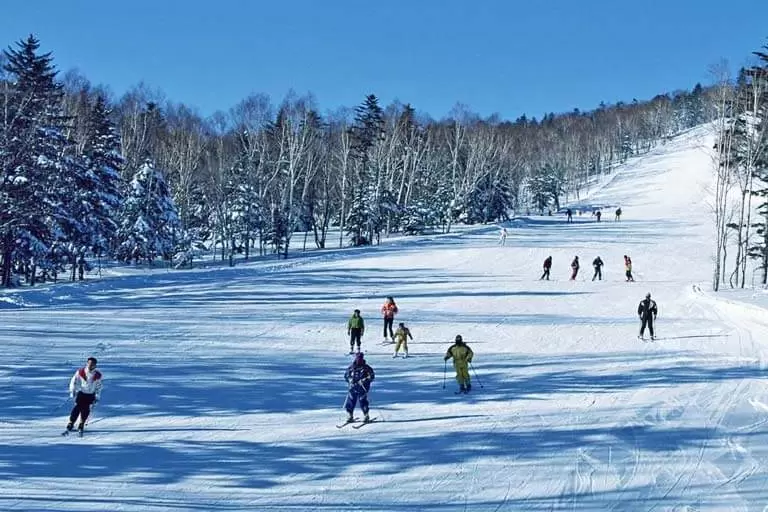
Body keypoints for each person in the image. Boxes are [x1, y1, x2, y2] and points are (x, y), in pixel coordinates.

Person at [66, 357, 103, 433]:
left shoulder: (98, 375)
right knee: (77, 408)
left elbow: (99, 387)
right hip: (81, 393)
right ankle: (71, 422)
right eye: (89, 363)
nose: (90, 365)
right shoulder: (81, 372)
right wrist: (72, 390)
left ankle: (81, 423)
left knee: (86, 409)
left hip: (90, 394)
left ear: (95, 365)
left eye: (92, 364)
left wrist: (97, 396)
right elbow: (74, 381)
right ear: (87, 363)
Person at [344, 352, 375, 422]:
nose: (359, 360)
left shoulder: (366, 368)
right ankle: (349, 415)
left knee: (362, 401)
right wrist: (349, 379)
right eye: (358, 358)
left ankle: (366, 415)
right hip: (353, 387)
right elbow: (346, 375)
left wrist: (365, 380)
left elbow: (372, 376)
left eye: (360, 358)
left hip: (363, 388)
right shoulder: (352, 367)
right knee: (351, 400)